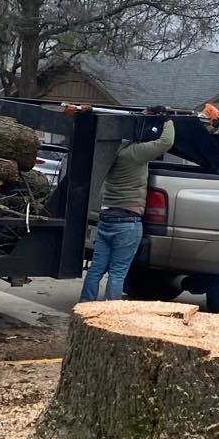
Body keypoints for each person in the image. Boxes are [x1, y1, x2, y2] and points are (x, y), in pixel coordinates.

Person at [79, 113, 176, 303]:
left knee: (96, 269)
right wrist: (167, 120)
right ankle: (110, 313)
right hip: (127, 222)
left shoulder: (111, 153)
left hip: (106, 219)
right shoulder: (135, 153)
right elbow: (166, 142)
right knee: (117, 272)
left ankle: (84, 305)